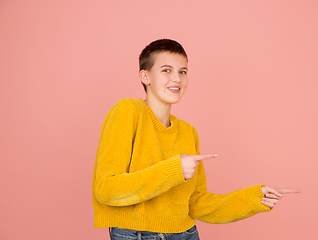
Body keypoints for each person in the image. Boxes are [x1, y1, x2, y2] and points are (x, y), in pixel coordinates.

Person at [92, 39, 300, 240]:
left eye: (183, 72)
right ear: (145, 77)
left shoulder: (188, 132)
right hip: (138, 234)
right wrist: (174, 170)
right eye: (166, 70)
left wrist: (255, 198)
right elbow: (106, 190)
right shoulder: (128, 111)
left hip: (186, 233)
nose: (177, 79)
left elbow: (197, 204)